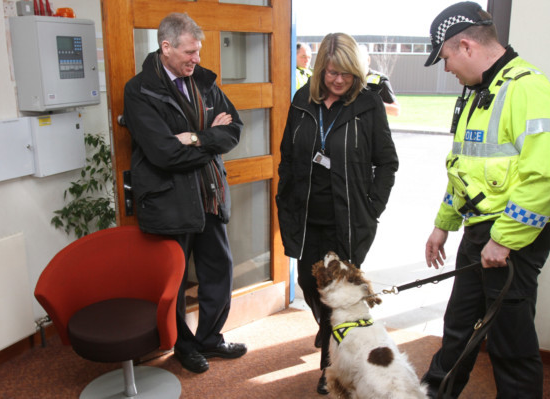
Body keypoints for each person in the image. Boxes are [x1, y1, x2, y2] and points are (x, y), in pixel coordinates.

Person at [420, 2, 550, 398]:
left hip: (513, 242)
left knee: (509, 345)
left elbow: (548, 176)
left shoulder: (527, 88)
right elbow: (463, 171)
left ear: (467, 46)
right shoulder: (476, 93)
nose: (447, 68)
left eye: (447, 58)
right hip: (478, 235)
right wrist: (443, 225)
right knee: (457, 329)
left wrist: (502, 239)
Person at [123, 12, 247, 374]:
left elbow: (234, 129)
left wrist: (195, 137)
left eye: (198, 51)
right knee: (175, 281)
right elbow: (164, 153)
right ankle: (184, 345)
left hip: (209, 194)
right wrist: (210, 136)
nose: (197, 58)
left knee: (219, 270)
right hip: (169, 201)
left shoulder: (205, 83)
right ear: (166, 47)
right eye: (190, 51)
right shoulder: (140, 90)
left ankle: (210, 337)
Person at [277, 32, 398, 395]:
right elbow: (287, 156)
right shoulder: (302, 101)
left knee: (339, 296)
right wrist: (285, 196)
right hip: (305, 214)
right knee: (307, 283)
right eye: (332, 73)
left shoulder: (368, 105)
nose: (339, 80)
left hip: (348, 220)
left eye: (346, 73)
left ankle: (329, 365)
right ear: (319, 71)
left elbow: (387, 163)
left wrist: (372, 208)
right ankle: (324, 324)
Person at [358, 44, 401, 117]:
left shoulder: (379, 80)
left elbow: (396, 110)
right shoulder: (347, 79)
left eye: (360, 61)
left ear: (368, 60)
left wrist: (372, 103)